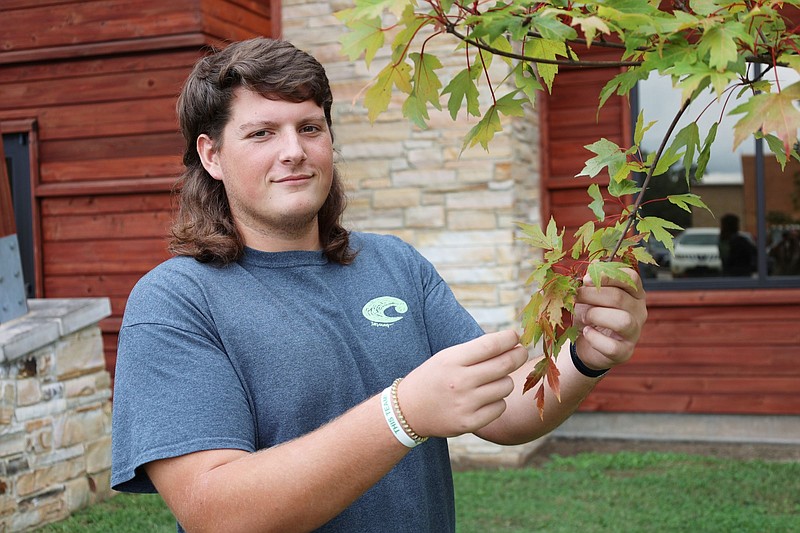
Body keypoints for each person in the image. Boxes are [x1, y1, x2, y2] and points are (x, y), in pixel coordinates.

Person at [110, 37, 648, 533]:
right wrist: (402, 413)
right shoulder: (175, 301)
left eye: (310, 127)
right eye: (262, 133)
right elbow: (216, 511)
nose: (293, 150)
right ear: (211, 155)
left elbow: (506, 408)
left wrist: (585, 358)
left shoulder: (394, 263)